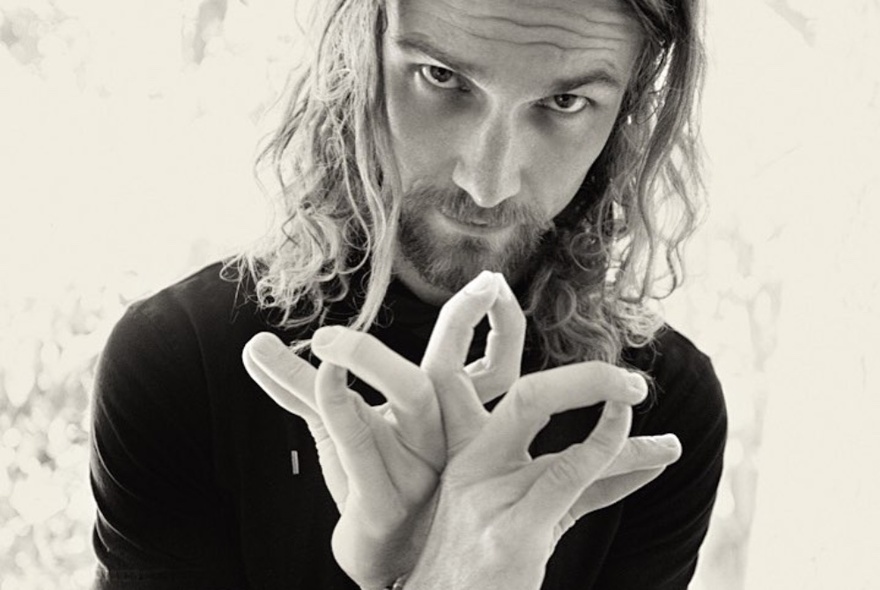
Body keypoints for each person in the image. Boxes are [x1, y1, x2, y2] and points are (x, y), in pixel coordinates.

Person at [89, 0, 726, 588]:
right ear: (357, 58)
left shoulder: (655, 409)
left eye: (564, 102)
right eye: (442, 78)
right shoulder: (180, 360)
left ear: (627, 112)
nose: (487, 182)